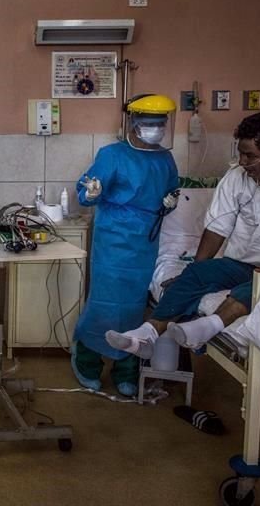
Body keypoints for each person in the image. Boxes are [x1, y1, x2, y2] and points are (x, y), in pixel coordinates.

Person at [107, 112, 260, 358]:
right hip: (246, 265)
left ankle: (209, 326)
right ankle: (147, 333)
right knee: (197, 272)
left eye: (250, 156)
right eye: (240, 153)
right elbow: (216, 229)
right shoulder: (237, 176)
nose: (242, 162)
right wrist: (191, 280)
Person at [71, 94, 179, 397]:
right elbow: (86, 189)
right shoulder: (112, 155)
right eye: (150, 123)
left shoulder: (165, 158)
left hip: (145, 243)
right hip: (113, 241)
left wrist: (169, 202)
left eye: (160, 124)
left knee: (134, 309)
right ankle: (87, 363)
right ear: (133, 123)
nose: (156, 129)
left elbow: (170, 192)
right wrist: (90, 192)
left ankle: (126, 371)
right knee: (104, 305)